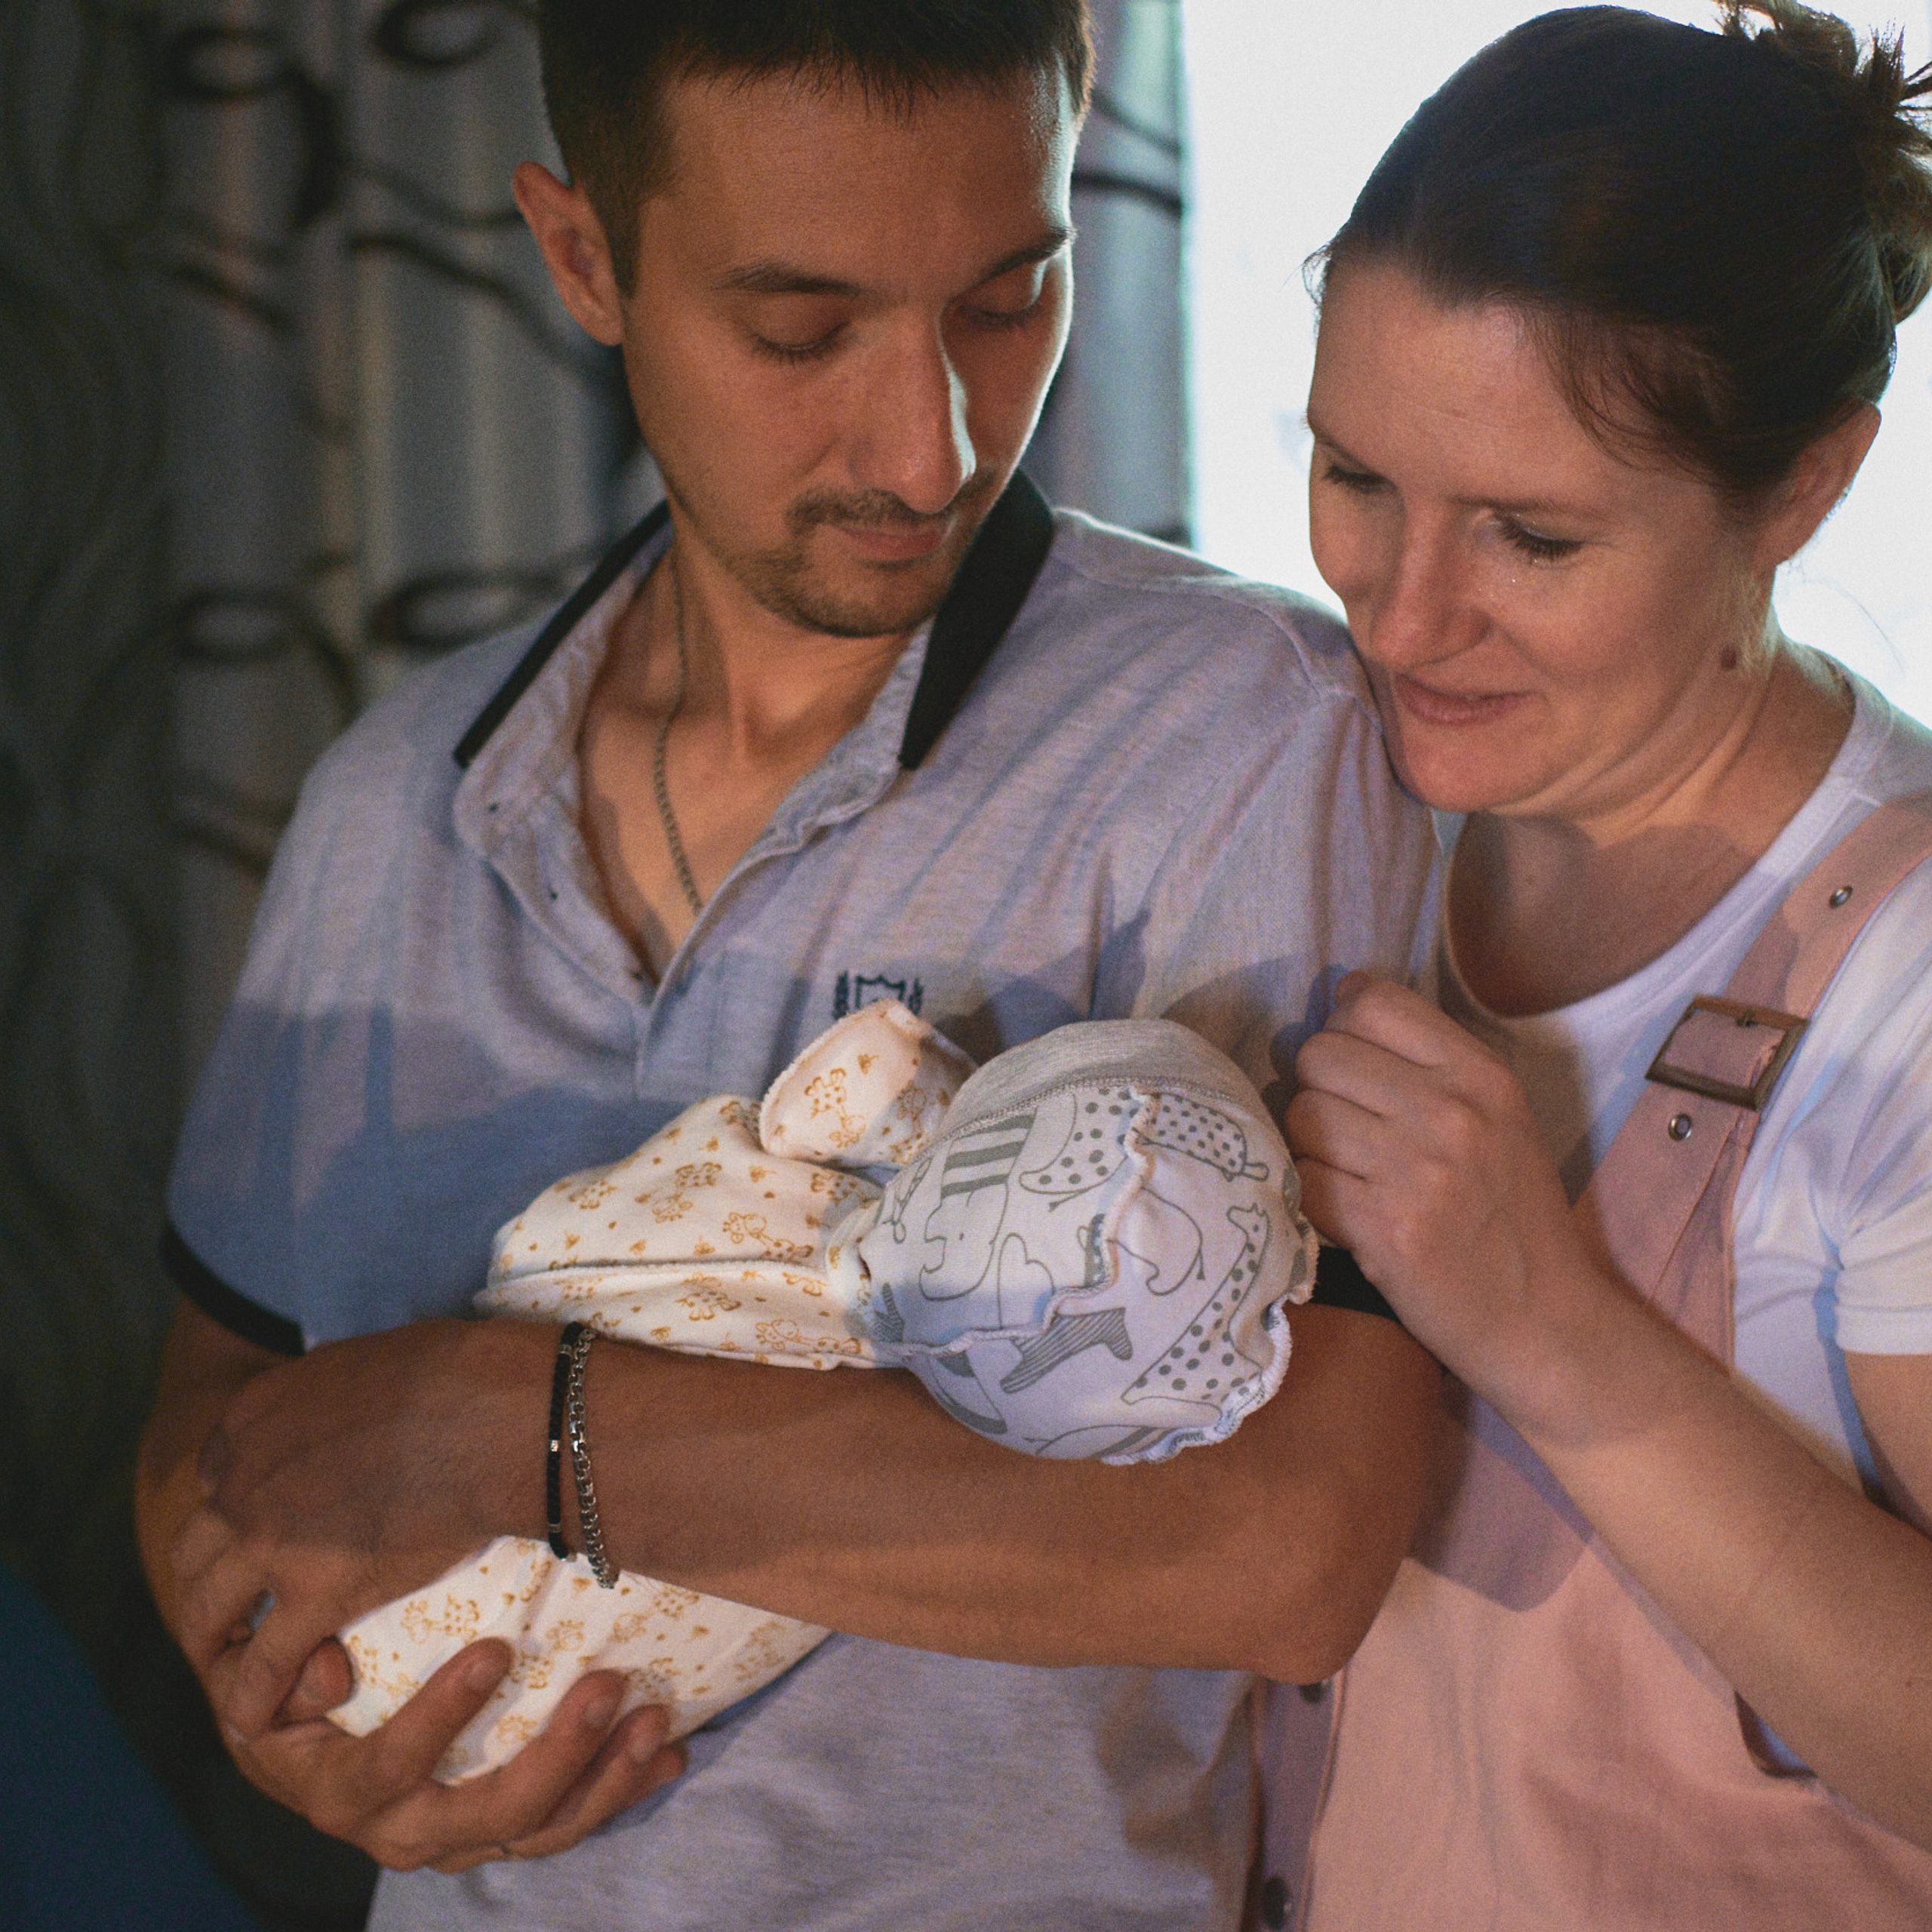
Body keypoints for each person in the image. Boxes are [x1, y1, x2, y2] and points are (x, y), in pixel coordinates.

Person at [134, 5, 1441, 1927]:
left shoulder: (1248, 736)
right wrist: (276, 1703)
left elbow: (1283, 1542)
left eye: (1009, 295)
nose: (935, 441)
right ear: (583, 256)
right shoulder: (385, 806)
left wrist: (508, 1425)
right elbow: (213, 1419)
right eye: (797, 328)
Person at [1264, 5, 1932, 1925]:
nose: (1398, 616)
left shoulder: (1900, 984)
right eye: (1352, 476)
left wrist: (1547, 1325)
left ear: (1797, 488)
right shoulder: (1315, 806)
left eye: (1530, 537)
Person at [331, 1000, 1321, 1780]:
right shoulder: (926, 1442)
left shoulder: (863, 1217)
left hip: (412, 1647)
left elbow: (859, 1078)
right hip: (493, 1723)